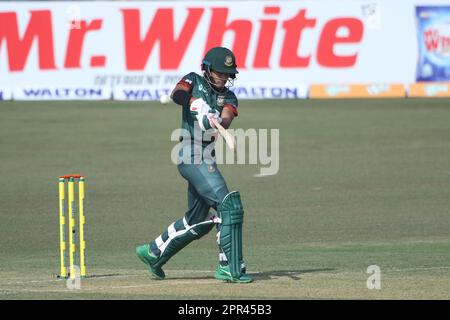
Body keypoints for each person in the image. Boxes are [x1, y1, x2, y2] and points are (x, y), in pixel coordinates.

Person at [135, 47, 252, 283]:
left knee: (199, 221)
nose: (223, 77)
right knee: (228, 205)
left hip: (206, 155)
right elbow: (177, 93)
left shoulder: (228, 97)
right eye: (219, 72)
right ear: (207, 69)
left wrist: (217, 119)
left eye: (227, 74)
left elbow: (227, 119)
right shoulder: (193, 79)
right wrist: (194, 103)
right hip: (189, 151)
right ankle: (229, 266)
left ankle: (153, 252)